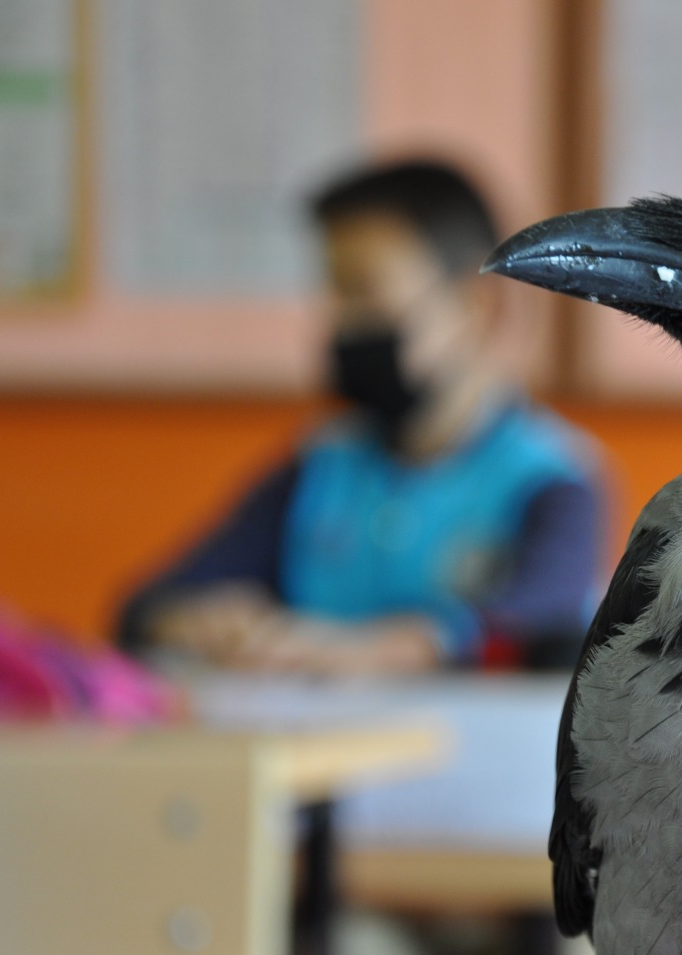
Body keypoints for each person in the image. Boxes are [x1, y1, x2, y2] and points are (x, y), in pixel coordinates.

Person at [119, 159, 603, 675]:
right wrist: (197, 621)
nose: (339, 321)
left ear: (475, 306)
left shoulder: (553, 481)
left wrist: (388, 648)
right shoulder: (318, 467)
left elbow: (538, 619)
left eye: (362, 290)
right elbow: (146, 605)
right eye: (332, 292)